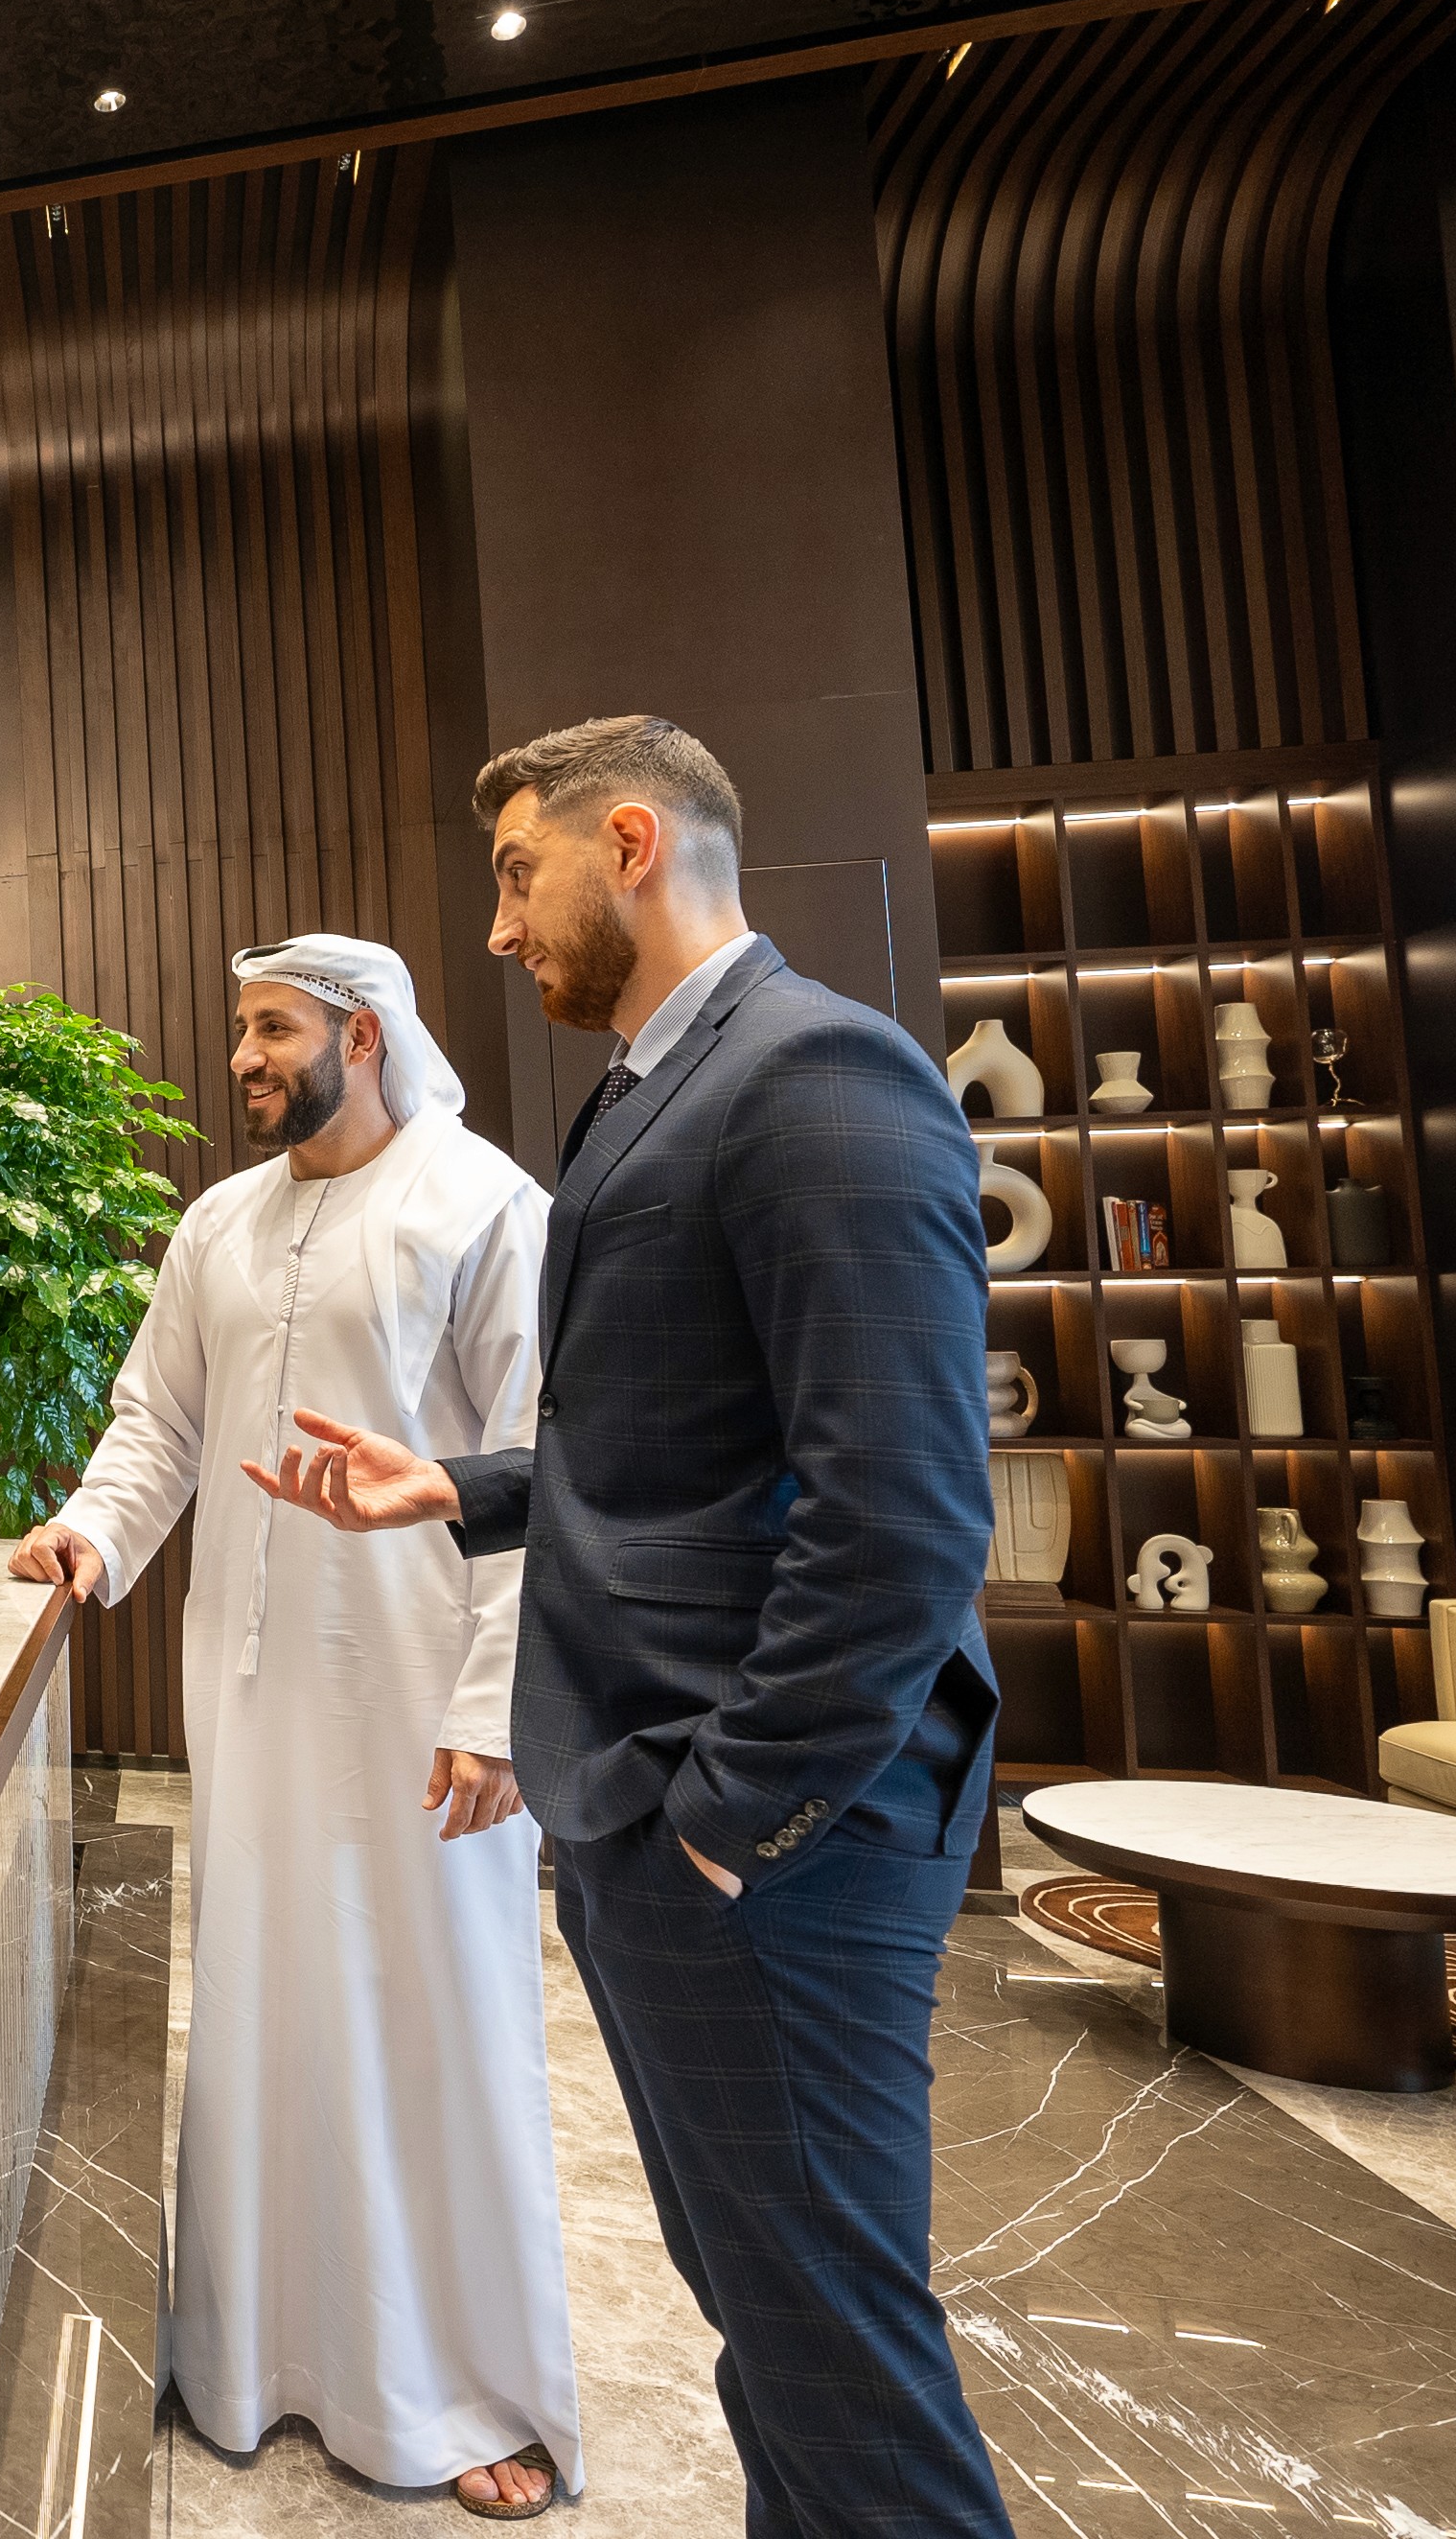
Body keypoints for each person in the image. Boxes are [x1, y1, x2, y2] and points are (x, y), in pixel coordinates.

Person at [246, 717, 1008, 2539]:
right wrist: (463, 1488)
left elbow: (900, 1518)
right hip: (669, 1815)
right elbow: (668, 1436)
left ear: (638, 842)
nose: (498, 931)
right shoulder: (656, 1083)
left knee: (835, 2339)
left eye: (520, 872)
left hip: (773, 1845)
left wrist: (733, 1822)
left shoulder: (822, 1074)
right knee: (773, 2324)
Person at [12, 935, 577, 2521]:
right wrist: (92, 1536)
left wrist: (499, 1706)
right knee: (265, 2009)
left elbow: (549, 1468)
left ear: (366, 1034)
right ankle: (254, 2360)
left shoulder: (485, 1206)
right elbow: (160, 1424)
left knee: (435, 2021)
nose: (245, 1057)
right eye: (240, 1031)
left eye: (273, 1030)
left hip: (426, 1702)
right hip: (251, 1696)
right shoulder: (220, 1223)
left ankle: (464, 2388)